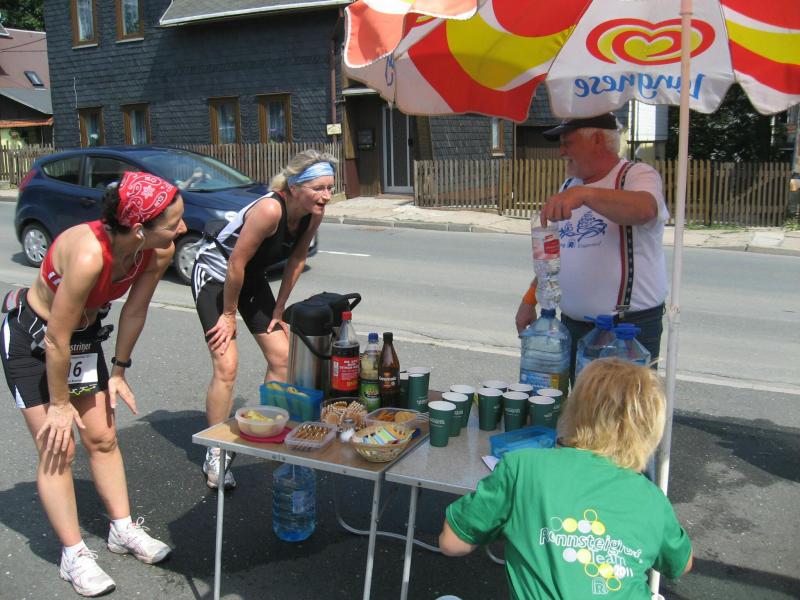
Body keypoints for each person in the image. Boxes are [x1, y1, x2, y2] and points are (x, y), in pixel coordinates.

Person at [1, 172, 186, 597]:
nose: (182, 228)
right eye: (173, 222)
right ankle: (74, 555)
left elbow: (135, 310)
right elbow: (55, 339)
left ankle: (122, 529)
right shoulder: (88, 255)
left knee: (102, 437)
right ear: (137, 229)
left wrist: (119, 370)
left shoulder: (157, 250)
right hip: (35, 341)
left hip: (80, 341)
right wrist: (60, 404)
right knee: (58, 447)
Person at [439, 358, 693, 599]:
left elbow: (452, 543)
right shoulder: (652, 498)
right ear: (650, 429)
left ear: (574, 409)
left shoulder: (523, 467)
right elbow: (681, 564)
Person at [192, 149, 336, 489]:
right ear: (295, 186)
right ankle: (216, 451)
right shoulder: (270, 209)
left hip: (251, 278)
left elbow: (297, 259)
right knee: (227, 365)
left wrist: (279, 309)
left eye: (330, 187)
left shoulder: (313, 214)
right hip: (216, 275)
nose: (327, 195)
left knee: (282, 357)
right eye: (318, 188)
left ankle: (266, 427)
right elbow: (235, 263)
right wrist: (229, 315)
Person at [515, 113, 669, 380]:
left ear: (597, 139)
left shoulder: (635, 175)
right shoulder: (570, 185)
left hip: (625, 332)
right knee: (577, 403)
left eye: (568, 143)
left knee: (619, 406)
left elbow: (645, 209)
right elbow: (557, 255)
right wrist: (530, 300)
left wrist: (584, 194)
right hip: (572, 325)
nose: (561, 152)